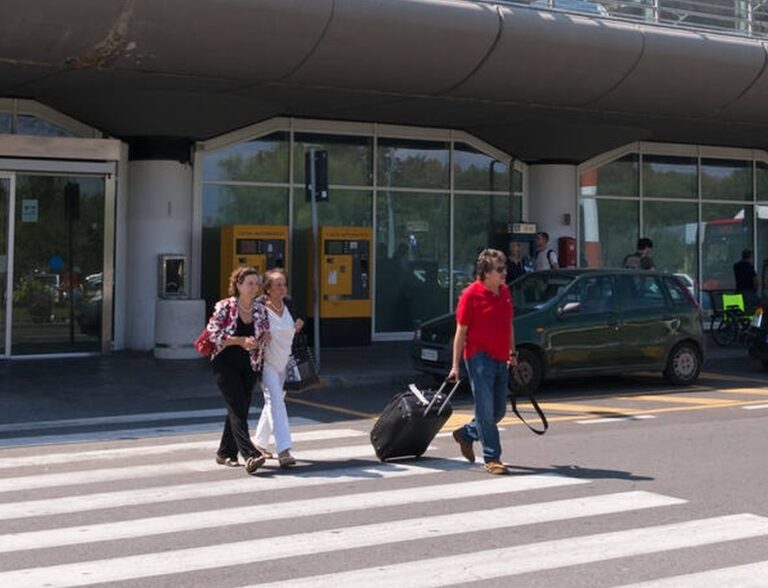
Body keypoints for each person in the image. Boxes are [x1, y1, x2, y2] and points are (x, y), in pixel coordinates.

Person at [448, 248, 517, 475]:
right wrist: (455, 365)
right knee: (485, 410)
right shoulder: (471, 295)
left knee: (497, 412)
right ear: (486, 272)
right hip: (479, 358)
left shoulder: (505, 292)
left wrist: (512, 353)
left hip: (500, 357)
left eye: (504, 267)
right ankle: (492, 457)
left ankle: (466, 434)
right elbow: (461, 331)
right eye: (499, 269)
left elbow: (509, 325)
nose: (504, 272)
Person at [205, 266, 270, 475]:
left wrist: (262, 339)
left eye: (256, 283)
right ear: (238, 285)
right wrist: (239, 340)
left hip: (250, 362)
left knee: (239, 407)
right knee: (236, 405)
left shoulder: (260, 309)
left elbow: (264, 330)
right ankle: (249, 453)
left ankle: (225, 453)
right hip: (225, 362)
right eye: (249, 283)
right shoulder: (225, 306)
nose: (254, 287)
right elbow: (212, 334)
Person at [253, 268, 305, 468]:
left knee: (274, 402)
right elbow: (252, 327)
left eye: (283, 284)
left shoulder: (289, 303)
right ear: (267, 288)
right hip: (267, 361)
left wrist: (299, 324)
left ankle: (259, 443)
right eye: (277, 285)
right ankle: (284, 449)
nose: (282, 288)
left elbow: (295, 323)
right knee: (276, 402)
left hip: (285, 360)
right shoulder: (259, 307)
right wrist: (260, 336)